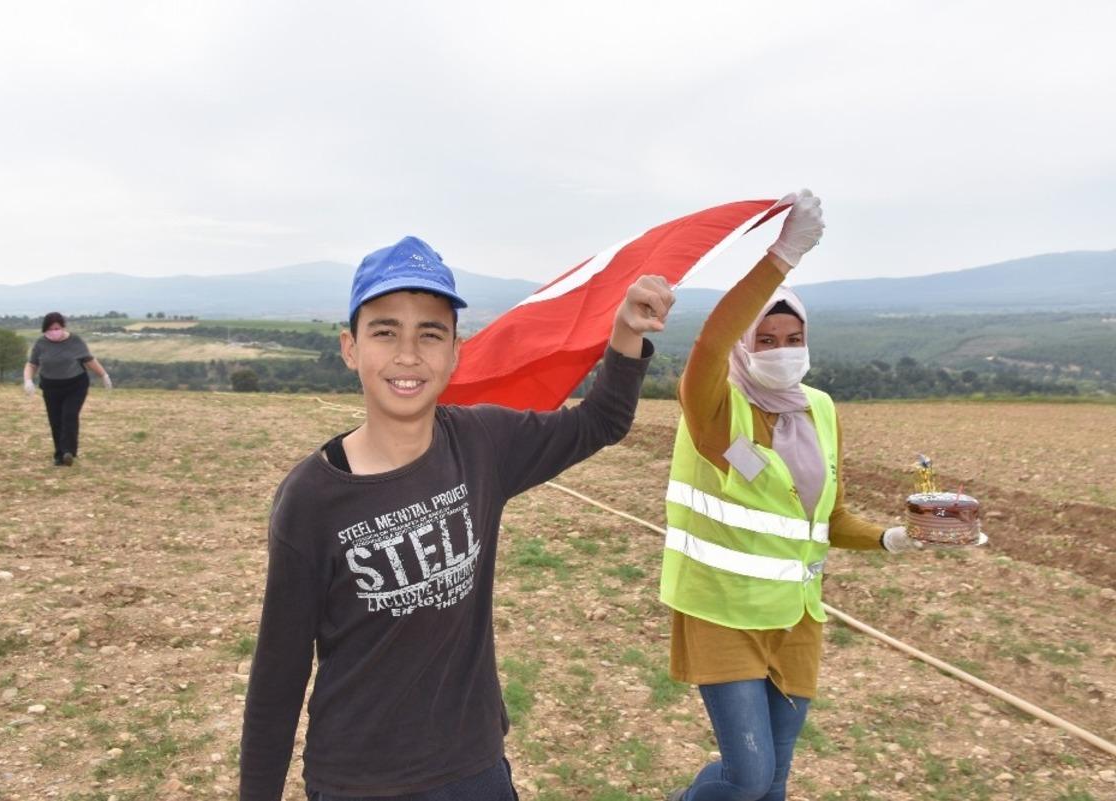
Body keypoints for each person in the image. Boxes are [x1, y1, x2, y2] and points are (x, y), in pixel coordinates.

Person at [239, 235, 675, 801]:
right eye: (385, 331)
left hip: (473, 768)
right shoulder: (311, 499)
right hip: (359, 780)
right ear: (350, 348)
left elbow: (601, 423)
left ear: (455, 350)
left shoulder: (481, 443)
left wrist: (625, 332)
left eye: (430, 333)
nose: (408, 354)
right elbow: (279, 674)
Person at [661, 191, 920, 801]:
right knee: (746, 779)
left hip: (798, 618)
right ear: (747, 348)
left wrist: (890, 538)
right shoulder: (717, 409)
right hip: (723, 611)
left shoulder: (821, 410)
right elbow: (708, 345)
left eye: (793, 336)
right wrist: (783, 256)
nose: (782, 351)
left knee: (773, 785)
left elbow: (826, 517)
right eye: (767, 339)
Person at [23, 312, 112, 466]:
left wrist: (103, 375)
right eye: (50, 329)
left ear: (63, 327)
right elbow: (32, 364)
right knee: (55, 420)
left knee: (69, 416)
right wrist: (28, 380)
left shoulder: (75, 341)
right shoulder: (40, 344)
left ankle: (68, 452)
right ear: (45, 330)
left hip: (75, 385)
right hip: (51, 387)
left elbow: (89, 360)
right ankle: (59, 455)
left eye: (57, 328)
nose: (54, 332)